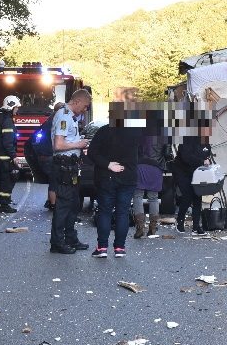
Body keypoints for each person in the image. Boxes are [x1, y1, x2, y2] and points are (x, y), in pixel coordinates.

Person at [88, 103, 143, 258]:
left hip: (106, 177)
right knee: (123, 212)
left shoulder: (104, 131)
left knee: (105, 211)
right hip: (128, 177)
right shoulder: (136, 133)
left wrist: (108, 164)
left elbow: (92, 153)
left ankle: (102, 248)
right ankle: (120, 248)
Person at [49, 89, 92, 254]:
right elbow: (58, 145)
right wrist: (78, 145)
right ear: (77, 101)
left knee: (74, 203)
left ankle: (70, 238)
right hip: (63, 166)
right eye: (85, 106)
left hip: (71, 165)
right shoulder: (64, 115)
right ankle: (57, 242)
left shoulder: (70, 116)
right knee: (64, 204)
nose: (85, 110)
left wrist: (80, 145)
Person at [173, 121, 212, 235]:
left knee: (197, 196)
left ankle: (196, 226)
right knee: (187, 196)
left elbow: (207, 151)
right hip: (182, 171)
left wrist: (206, 160)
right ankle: (180, 221)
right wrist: (201, 161)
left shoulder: (204, 140)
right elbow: (186, 156)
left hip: (196, 171)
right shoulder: (187, 138)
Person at [31, 102, 65, 210]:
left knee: (52, 180)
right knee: (55, 182)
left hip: (44, 155)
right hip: (51, 155)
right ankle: (54, 205)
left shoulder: (49, 120)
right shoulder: (59, 121)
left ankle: (50, 201)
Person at [133, 133, 168, 238]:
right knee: (154, 198)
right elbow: (167, 153)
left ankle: (140, 227)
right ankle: (152, 228)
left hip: (140, 165)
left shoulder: (138, 131)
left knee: (137, 196)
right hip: (156, 167)